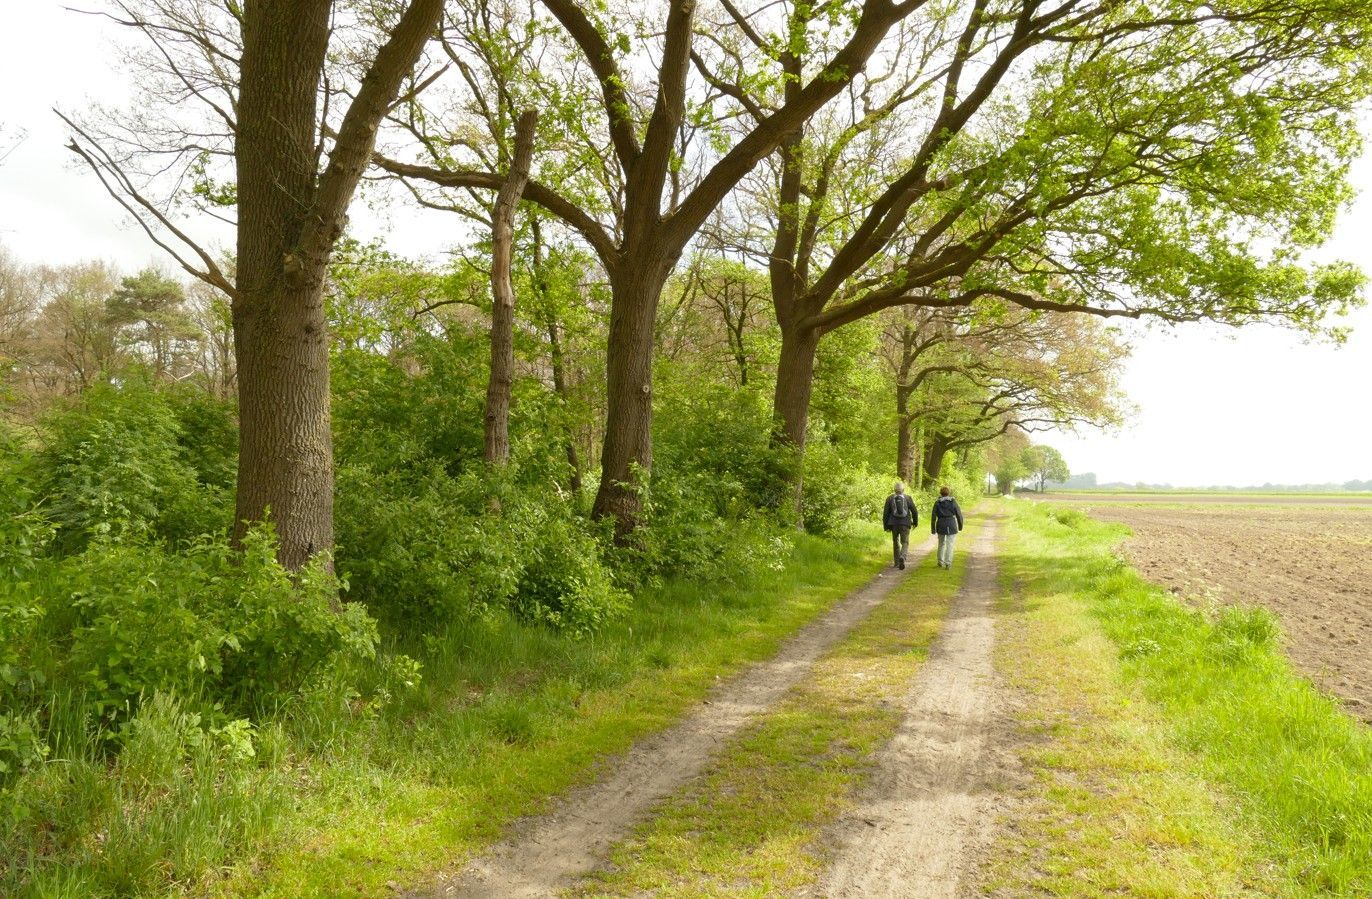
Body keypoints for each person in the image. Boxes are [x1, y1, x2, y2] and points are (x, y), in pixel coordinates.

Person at [883, 481, 917, 569]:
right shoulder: (908, 498)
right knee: (905, 542)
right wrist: (915, 522)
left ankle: (897, 562)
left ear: (894, 490)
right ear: (903, 490)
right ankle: (903, 556)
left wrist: (886, 526)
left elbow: (885, 513)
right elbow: (914, 511)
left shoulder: (890, 498)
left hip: (894, 524)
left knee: (895, 542)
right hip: (905, 523)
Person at [931, 486, 964, 569]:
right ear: (949, 493)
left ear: (940, 493)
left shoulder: (937, 502)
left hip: (941, 524)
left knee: (941, 544)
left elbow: (933, 516)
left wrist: (933, 529)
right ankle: (948, 563)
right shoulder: (953, 502)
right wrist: (960, 526)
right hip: (951, 524)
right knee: (950, 544)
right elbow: (959, 514)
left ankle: (940, 562)